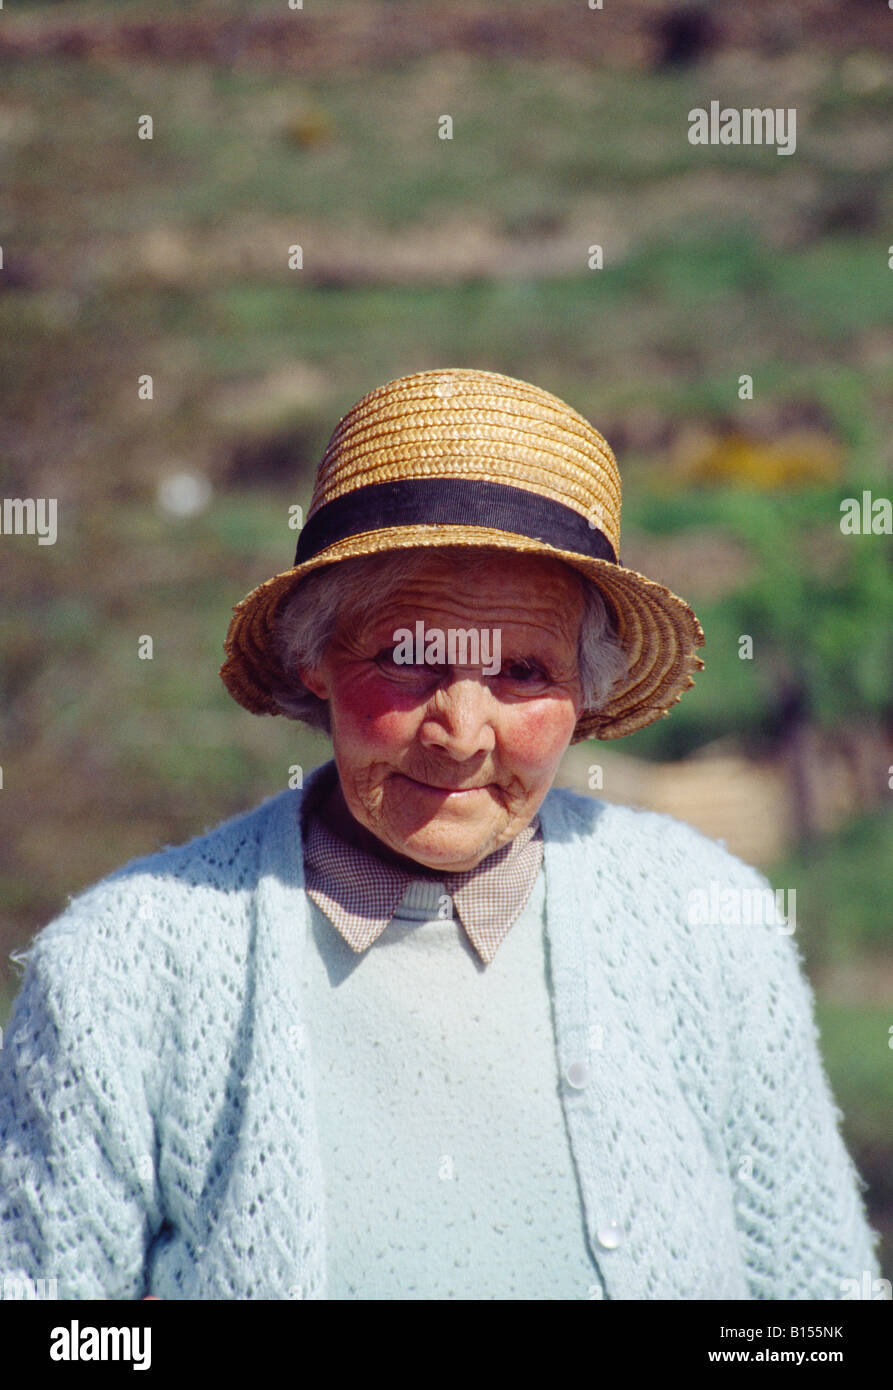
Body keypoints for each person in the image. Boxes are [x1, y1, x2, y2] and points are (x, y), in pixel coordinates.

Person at [0, 367, 881, 1301]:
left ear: (585, 693)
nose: (461, 732)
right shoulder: (123, 966)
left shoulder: (711, 926)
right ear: (315, 664)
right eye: (408, 656)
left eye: (522, 670)